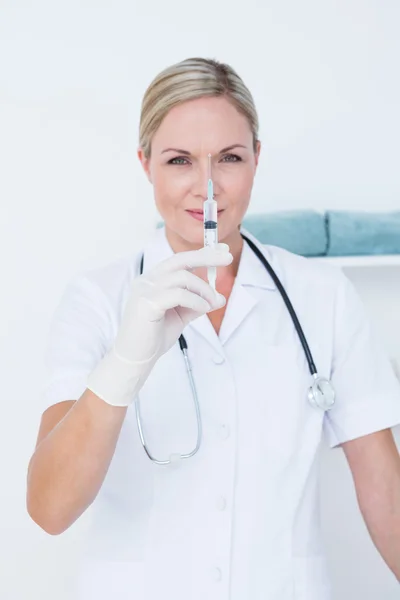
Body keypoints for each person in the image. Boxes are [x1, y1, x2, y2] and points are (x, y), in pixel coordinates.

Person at [26, 57, 400, 599]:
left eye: (229, 158)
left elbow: (386, 495)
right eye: (179, 160)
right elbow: (49, 507)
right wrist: (124, 365)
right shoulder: (98, 300)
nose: (207, 188)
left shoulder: (323, 295)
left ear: (256, 160)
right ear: (145, 163)